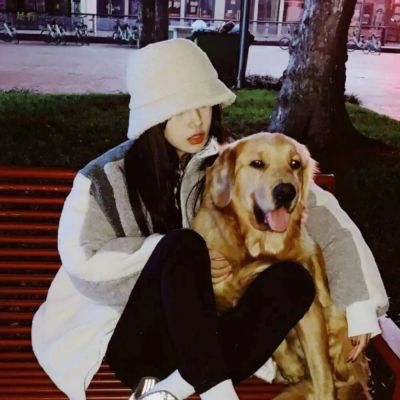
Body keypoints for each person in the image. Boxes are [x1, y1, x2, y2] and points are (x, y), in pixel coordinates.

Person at [31, 38, 388, 400]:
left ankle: (167, 393)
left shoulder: (229, 161)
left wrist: (358, 306)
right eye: (180, 109)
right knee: (185, 245)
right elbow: (83, 263)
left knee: (293, 280)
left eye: (204, 104)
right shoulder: (104, 178)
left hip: (211, 343)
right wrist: (165, 257)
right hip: (137, 343)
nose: (197, 120)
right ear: (152, 114)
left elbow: (331, 224)